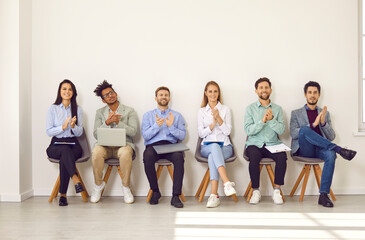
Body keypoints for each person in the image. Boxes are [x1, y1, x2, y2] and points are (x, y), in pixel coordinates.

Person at [290, 81, 356, 208]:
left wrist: (323, 123)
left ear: (319, 95)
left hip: (321, 148)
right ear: (305, 94)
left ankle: (323, 195)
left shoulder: (325, 113)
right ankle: (339, 149)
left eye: (315, 92)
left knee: (331, 154)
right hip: (305, 149)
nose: (312, 95)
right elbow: (294, 134)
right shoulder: (296, 113)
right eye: (310, 92)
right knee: (304, 130)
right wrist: (313, 124)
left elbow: (331, 136)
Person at [90, 80, 138, 204]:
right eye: (106, 95)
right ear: (103, 100)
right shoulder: (100, 112)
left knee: (126, 152)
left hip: (123, 145)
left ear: (115, 93)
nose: (110, 96)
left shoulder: (129, 111)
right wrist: (106, 123)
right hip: (105, 146)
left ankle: (126, 187)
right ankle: (98, 185)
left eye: (111, 93)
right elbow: (95, 134)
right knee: (96, 151)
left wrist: (118, 123)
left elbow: (133, 132)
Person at [244, 77, 287, 205]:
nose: (264, 90)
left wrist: (272, 119)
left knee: (282, 156)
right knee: (254, 156)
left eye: (266, 87)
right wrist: (262, 121)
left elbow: (281, 131)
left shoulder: (278, 109)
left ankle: (277, 190)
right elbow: (248, 130)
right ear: (256, 91)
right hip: (254, 144)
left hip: (273, 144)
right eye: (261, 88)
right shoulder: (250, 108)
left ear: (270, 90)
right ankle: (256, 191)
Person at [141, 86, 186, 208]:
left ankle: (176, 196)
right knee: (147, 156)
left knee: (179, 158)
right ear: (156, 98)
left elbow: (182, 135)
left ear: (169, 98)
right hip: (153, 146)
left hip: (171, 146)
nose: (163, 97)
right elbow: (145, 135)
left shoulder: (176, 116)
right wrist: (156, 125)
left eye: (166, 95)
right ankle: (155, 191)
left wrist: (171, 126)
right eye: (161, 95)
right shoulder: (148, 115)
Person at [46, 79, 85, 206]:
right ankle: (75, 180)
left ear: (73, 93)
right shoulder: (53, 108)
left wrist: (73, 126)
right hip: (56, 144)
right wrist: (62, 127)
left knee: (65, 154)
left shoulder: (77, 109)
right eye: (64, 89)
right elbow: (49, 131)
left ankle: (63, 195)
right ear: (60, 91)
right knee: (64, 152)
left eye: (70, 89)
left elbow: (79, 133)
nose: (67, 91)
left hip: (73, 144)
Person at [198, 81, 236, 208]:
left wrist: (219, 118)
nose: (213, 94)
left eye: (215, 91)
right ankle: (227, 183)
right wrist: (212, 124)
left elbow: (228, 131)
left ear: (218, 93)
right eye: (210, 91)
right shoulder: (201, 111)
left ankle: (213, 195)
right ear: (206, 93)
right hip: (206, 146)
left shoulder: (226, 109)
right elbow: (201, 133)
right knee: (213, 147)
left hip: (225, 146)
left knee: (212, 157)